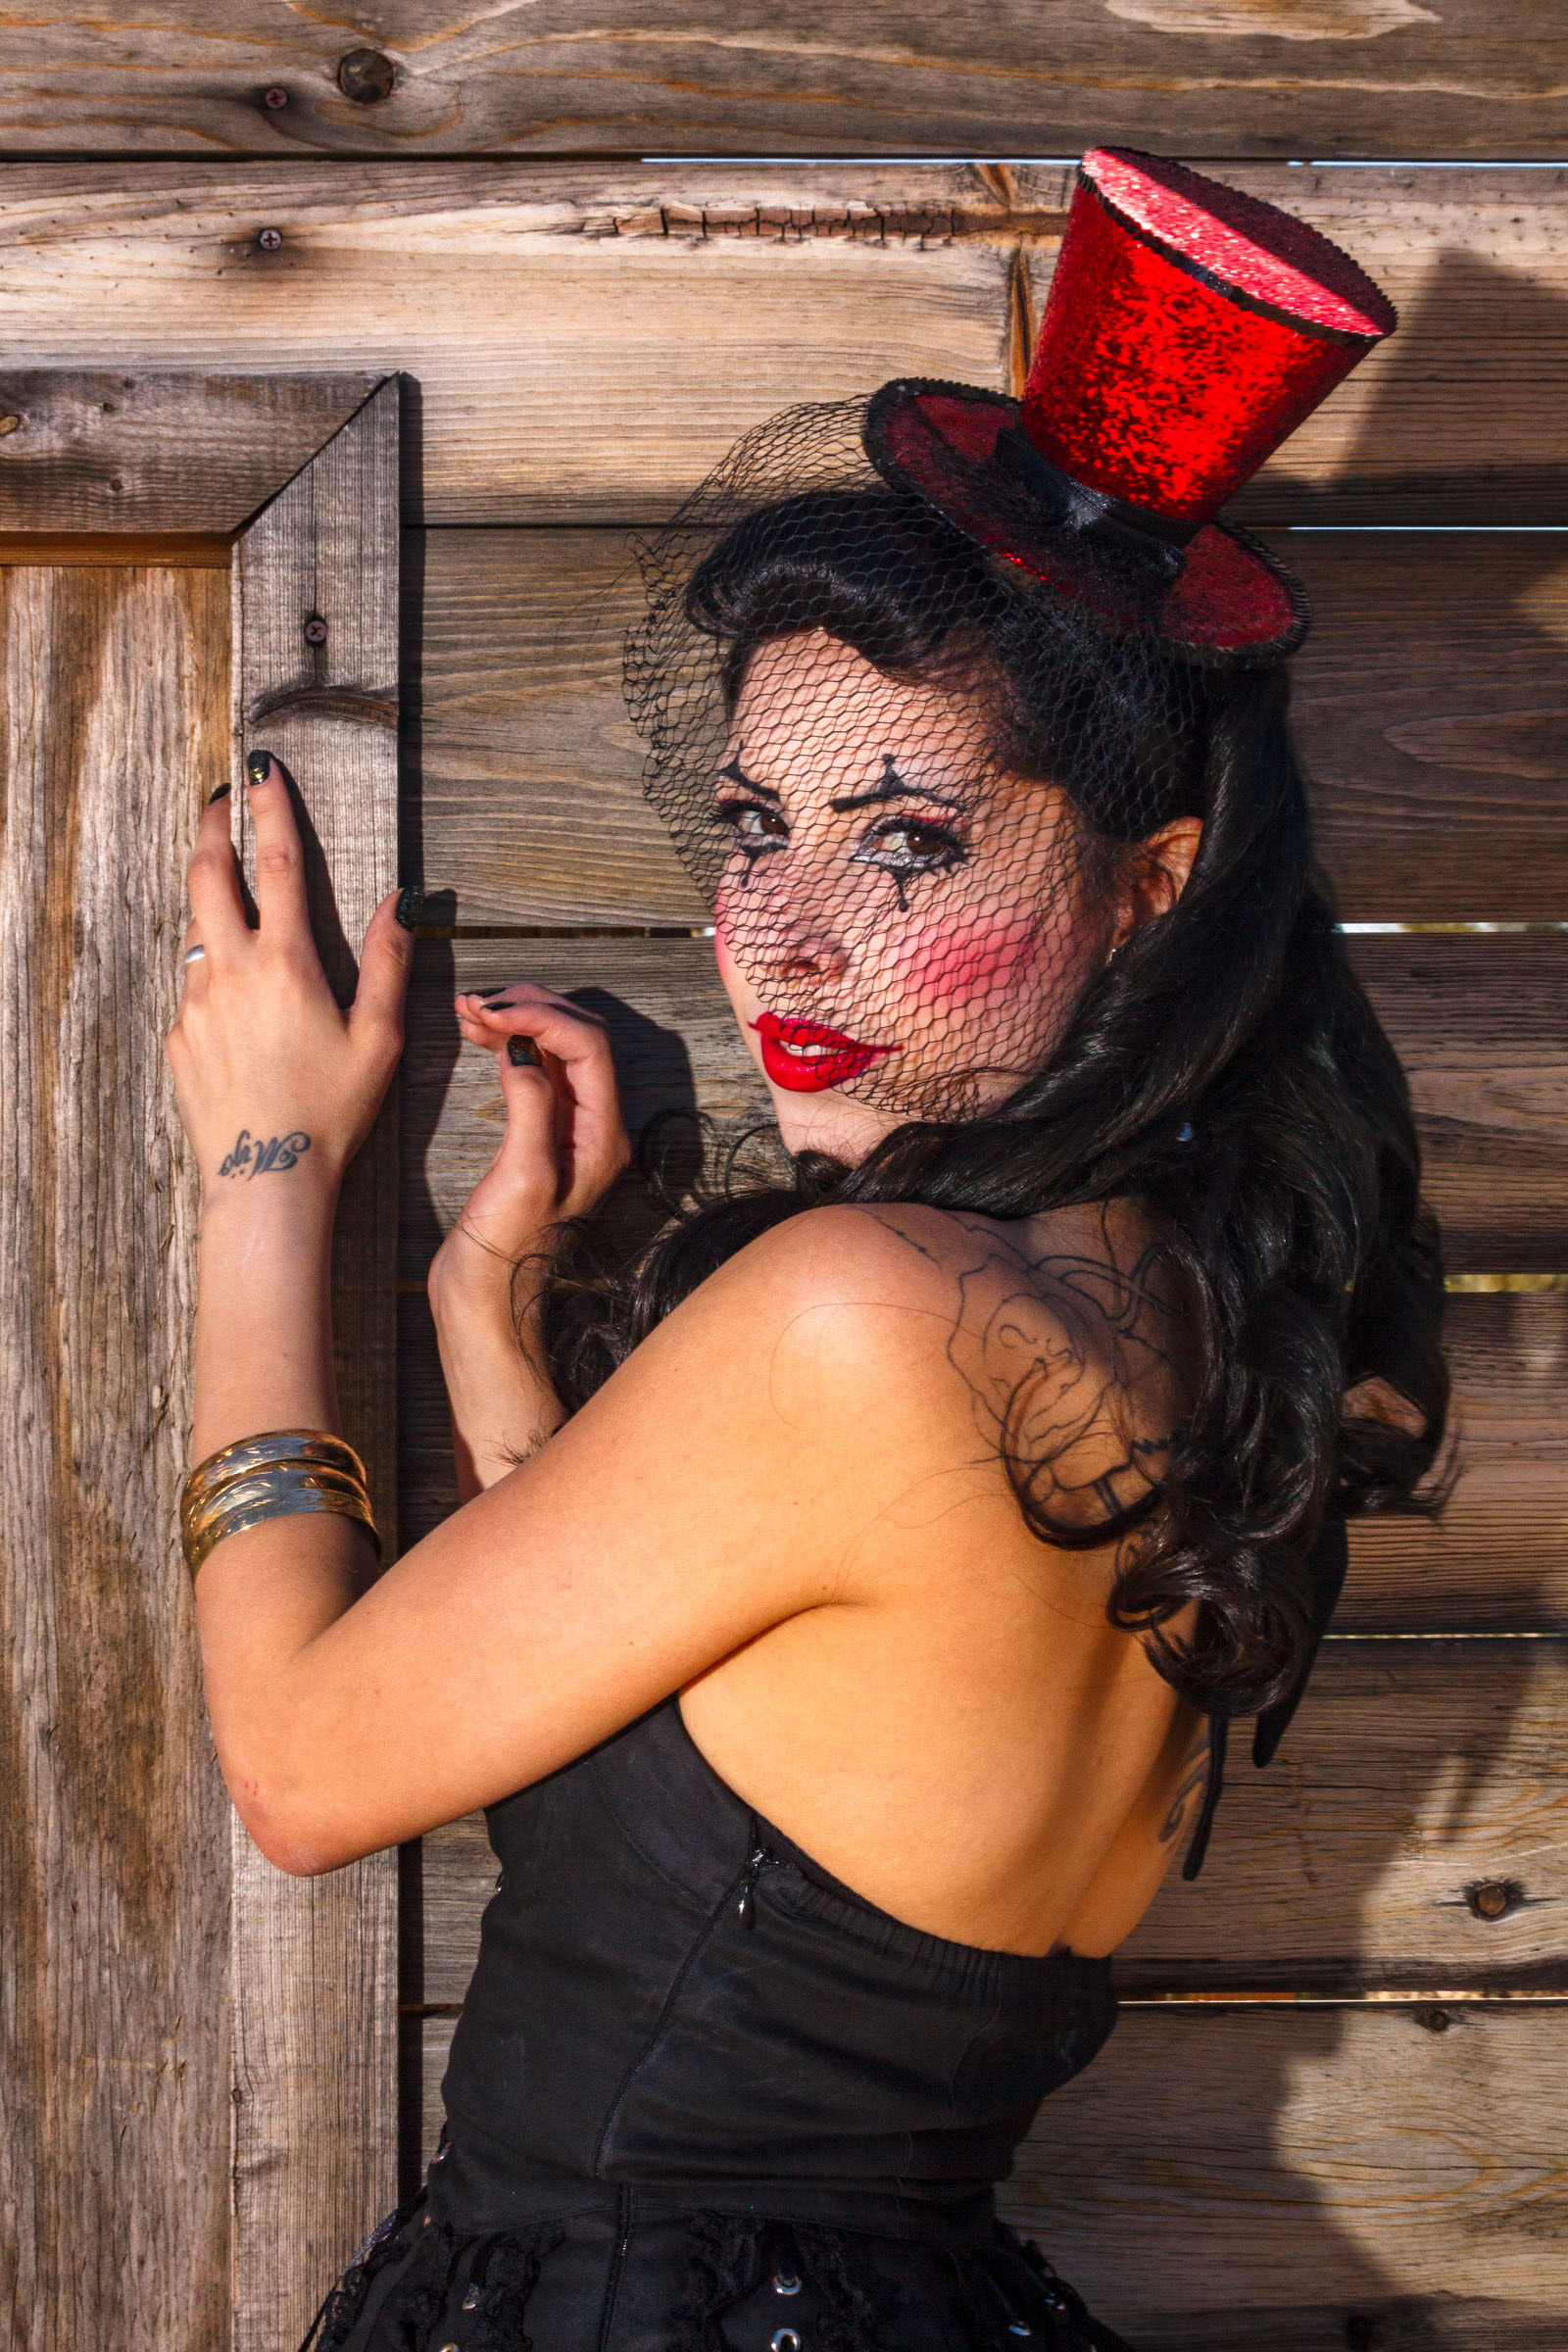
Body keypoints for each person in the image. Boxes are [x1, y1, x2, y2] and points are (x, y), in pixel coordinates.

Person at [167, 151, 1447, 2352]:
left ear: (1150, 884)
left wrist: (265, 1160)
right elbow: (719, 1776)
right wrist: (488, 1316)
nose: (782, 935)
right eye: (758, 827)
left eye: (909, 843)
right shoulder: (1181, 1329)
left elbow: (298, 1765)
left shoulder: (868, 1318)